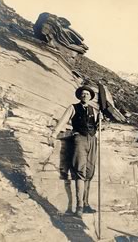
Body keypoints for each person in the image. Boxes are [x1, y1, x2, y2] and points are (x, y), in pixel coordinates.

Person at [51, 85, 97, 218]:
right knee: (80, 171)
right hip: (80, 139)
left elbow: (96, 126)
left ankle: (86, 204)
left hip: (93, 140)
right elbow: (63, 121)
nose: (85, 95)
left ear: (90, 96)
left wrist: (100, 123)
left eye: (87, 94)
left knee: (90, 171)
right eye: (83, 94)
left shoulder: (94, 110)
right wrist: (54, 133)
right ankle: (79, 207)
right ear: (79, 96)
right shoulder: (73, 107)